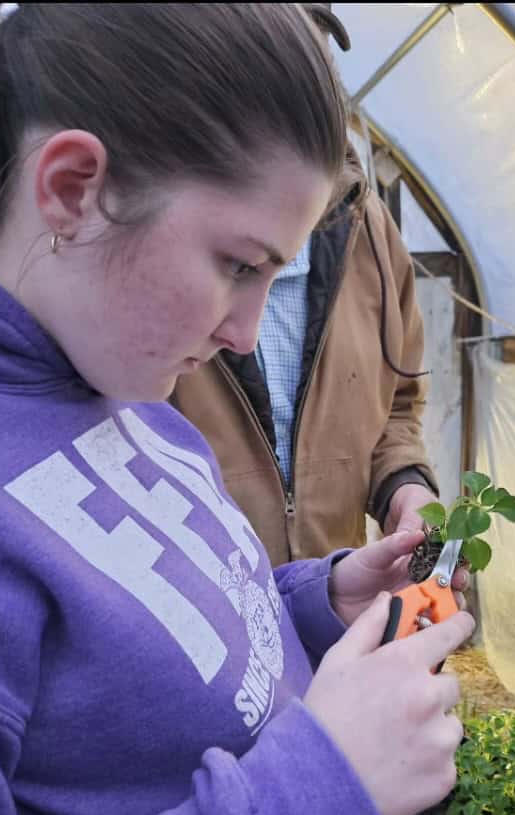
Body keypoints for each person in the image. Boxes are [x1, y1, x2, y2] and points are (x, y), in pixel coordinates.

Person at [0, 4, 475, 815]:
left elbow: (145, 632)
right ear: (74, 187)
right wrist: (323, 787)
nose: (241, 329)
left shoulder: (125, 394)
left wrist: (318, 600)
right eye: (238, 262)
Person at [172, 5, 441, 566]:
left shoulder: (369, 231)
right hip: (206, 608)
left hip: (337, 591)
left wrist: (404, 489)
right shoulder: (164, 229)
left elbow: (397, 406)